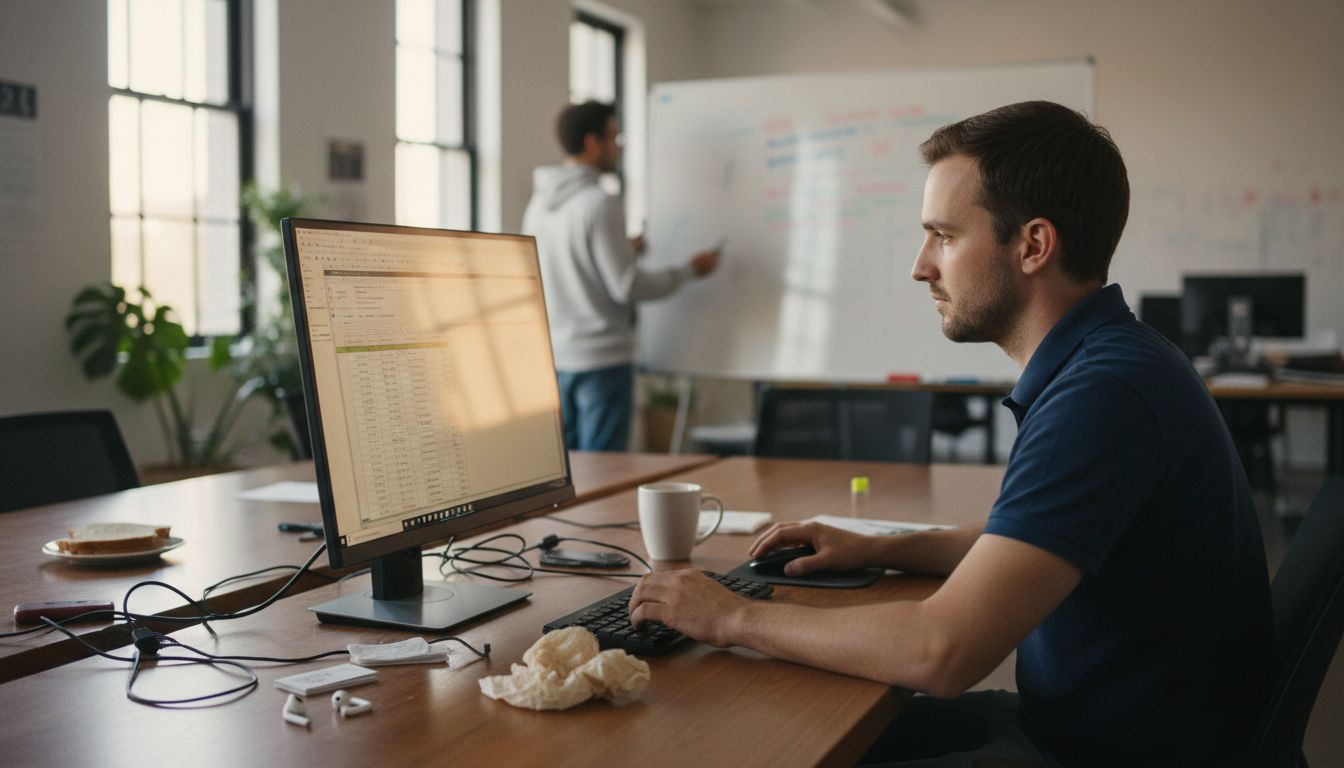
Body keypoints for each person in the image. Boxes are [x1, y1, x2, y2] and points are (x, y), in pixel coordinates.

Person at [628, 101, 1273, 767]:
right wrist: (889, 546)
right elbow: (1030, 542)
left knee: (755, 742)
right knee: (780, 727)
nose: (921, 266)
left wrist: (731, 616)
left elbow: (942, 652)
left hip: (1103, 752)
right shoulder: (1118, 360)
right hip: (1094, 727)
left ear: (1033, 245)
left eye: (943, 236)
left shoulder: (1101, 396)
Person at [523, 101, 720, 452]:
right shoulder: (600, 202)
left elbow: (566, 265)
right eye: (614, 137)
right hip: (602, 360)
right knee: (604, 472)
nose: (619, 147)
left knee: (569, 471)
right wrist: (690, 270)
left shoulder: (538, 205)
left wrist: (625, 248)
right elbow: (626, 286)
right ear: (591, 142)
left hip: (557, 356)